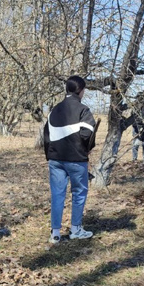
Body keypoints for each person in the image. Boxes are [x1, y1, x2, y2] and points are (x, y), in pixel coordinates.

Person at [43, 75, 96, 243]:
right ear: (80, 90)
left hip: (55, 160)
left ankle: (55, 234)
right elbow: (87, 133)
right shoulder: (83, 110)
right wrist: (85, 148)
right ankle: (75, 229)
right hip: (76, 160)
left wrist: (49, 155)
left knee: (57, 195)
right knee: (79, 193)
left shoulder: (53, 111)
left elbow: (46, 136)